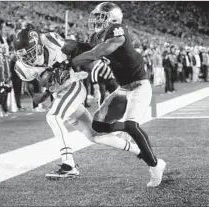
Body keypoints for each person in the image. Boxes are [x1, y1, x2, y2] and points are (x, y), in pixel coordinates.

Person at [56, 2, 166, 187]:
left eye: (101, 18)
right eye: (96, 18)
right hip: (123, 88)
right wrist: (57, 45)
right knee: (98, 125)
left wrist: (70, 63)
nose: (96, 22)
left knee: (132, 125)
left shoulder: (118, 30)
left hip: (140, 86)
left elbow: (100, 51)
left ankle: (155, 165)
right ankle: (128, 130)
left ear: (113, 19)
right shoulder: (96, 36)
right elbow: (84, 48)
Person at [13, 25, 141, 180]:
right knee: (95, 136)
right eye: (24, 55)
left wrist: (74, 64)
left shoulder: (51, 40)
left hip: (73, 85)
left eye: (31, 53)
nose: (29, 58)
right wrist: (44, 92)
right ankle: (139, 150)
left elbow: (78, 47)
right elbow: (35, 94)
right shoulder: (22, 67)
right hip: (59, 93)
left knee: (53, 117)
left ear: (39, 45)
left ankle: (69, 165)